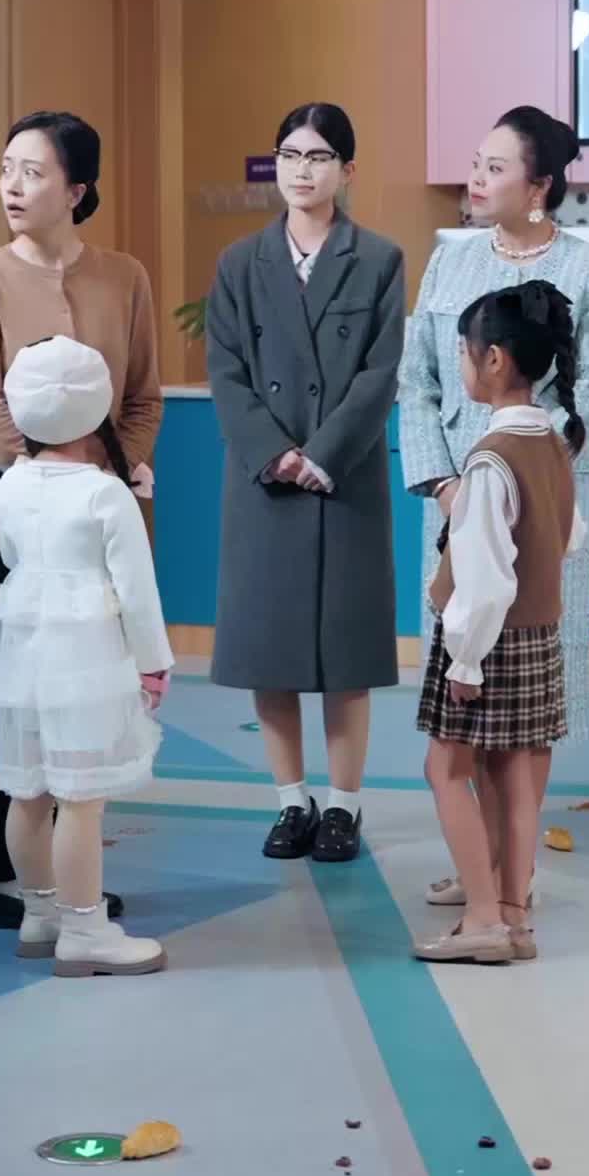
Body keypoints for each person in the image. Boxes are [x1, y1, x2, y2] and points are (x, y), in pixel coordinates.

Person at [400, 106, 589, 910]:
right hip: (455, 506)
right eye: (476, 162)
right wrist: (446, 484)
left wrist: (517, 480)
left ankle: (509, 877)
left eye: (495, 167)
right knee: (464, 691)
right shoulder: (448, 262)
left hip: (539, 508)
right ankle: (479, 867)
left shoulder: (588, 269)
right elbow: (417, 383)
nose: (476, 178)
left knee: (528, 701)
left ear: (540, 186)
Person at [0, 112, 162, 931]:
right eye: (7, 168)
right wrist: (48, 471)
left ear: (76, 190)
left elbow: (142, 396)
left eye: (33, 172)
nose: (12, 185)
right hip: (7, 500)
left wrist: (104, 472)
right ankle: (1, 879)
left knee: (87, 688)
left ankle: (68, 881)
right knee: (1, 686)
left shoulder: (125, 276)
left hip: (100, 504)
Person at [206, 103, 405, 864]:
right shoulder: (239, 263)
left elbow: (381, 371)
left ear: (346, 171)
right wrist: (274, 453)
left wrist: (322, 455)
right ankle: (292, 801)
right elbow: (226, 371)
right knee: (272, 653)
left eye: (318, 157)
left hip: (344, 480)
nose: (301, 170)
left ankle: (344, 806)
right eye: (289, 155)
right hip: (265, 484)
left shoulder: (379, 259)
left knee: (347, 657)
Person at [413, 282, 585, 965]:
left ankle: (482, 918)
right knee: (516, 781)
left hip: (487, 643)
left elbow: (482, 579)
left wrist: (464, 659)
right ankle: (512, 915)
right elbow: (567, 538)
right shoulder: (553, 442)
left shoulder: (489, 459)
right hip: (538, 636)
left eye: (464, 350)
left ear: (493, 360)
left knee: (445, 770)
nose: (461, 361)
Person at [0, 336, 172, 976]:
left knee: (28, 791)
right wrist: (152, 661)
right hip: (87, 656)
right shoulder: (106, 494)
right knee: (81, 797)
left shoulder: (10, 481)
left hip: (22, 650)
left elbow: (11, 556)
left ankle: (39, 914)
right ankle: (86, 930)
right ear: (96, 407)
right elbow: (137, 591)